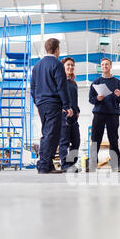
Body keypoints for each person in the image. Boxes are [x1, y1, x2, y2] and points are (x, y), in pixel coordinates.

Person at [31, 38, 73, 174]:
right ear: (57, 49)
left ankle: (47, 164)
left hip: (42, 104)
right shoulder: (57, 64)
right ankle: (43, 165)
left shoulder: (37, 66)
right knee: (50, 135)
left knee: (49, 134)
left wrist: (38, 103)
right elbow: (61, 87)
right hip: (53, 104)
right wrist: (67, 105)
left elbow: (32, 88)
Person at [89, 58, 120, 172]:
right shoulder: (95, 82)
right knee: (95, 139)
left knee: (113, 140)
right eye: (102, 64)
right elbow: (90, 99)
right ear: (101, 67)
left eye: (107, 64)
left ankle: (115, 165)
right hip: (99, 113)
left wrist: (119, 95)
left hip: (113, 114)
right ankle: (92, 165)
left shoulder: (118, 83)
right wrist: (97, 98)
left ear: (110, 66)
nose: (104, 66)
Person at [59, 57, 81, 173]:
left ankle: (71, 164)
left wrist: (77, 111)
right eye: (68, 65)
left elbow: (75, 99)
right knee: (64, 141)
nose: (70, 67)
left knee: (76, 141)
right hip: (63, 115)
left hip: (74, 116)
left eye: (72, 65)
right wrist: (61, 108)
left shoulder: (73, 83)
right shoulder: (59, 81)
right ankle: (64, 165)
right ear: (63, 66)